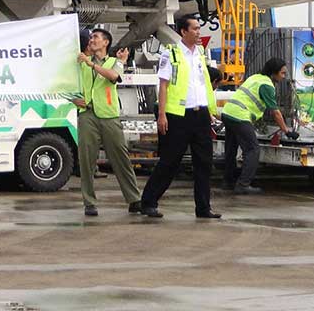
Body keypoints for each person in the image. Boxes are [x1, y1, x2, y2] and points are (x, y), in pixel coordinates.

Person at [139, 15, 220, 219]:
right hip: (178, 116)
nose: (198, 32)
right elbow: (163, 86)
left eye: (199, 28)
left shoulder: (199, 53)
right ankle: (148, 202)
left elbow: (202, 83)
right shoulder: (171, 54)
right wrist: (162, 115)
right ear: (183, 32)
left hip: (200, 114)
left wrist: (210, 110)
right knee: (170, 162)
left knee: (204, 163)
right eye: (195, 29)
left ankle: (203, 208)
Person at [74, 29, 139, 216]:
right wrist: (73, 99)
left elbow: (113, 76)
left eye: (95, 37)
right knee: (86, 160)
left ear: (106, 42)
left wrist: (91, 64)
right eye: (91, 37)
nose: (91, 40)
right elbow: (67, 83)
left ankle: (134, 199)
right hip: (87, 114)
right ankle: (89, 202)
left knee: (121, 158)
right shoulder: (82, 62)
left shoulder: (114, 62)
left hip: (109, 115)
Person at [221, 57, 297, 195]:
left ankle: (228, 181)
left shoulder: (255, 77)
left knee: (231, 149)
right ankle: (243, 184)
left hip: (228, 113)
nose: (284, 76)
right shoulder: (266, 85)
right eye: (282, 73)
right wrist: (286, 130)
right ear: (273, 73)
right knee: (253, 150)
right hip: (240, 116)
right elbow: (275, 112)